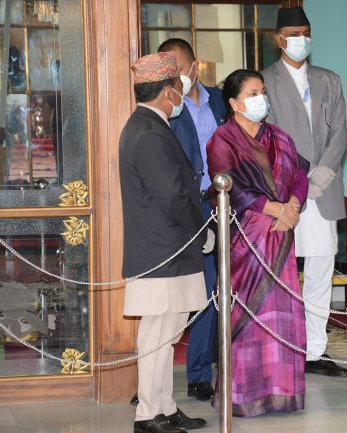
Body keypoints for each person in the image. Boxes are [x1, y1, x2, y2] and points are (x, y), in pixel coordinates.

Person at [207, 69, 309, 417]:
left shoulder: (280, 136)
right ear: (234, 103)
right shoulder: (222, 139)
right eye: (252, 93)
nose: (260, 98)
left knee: (281, 314)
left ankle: (282, 391)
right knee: (250, 314)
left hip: (281, 235)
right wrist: (275, 208)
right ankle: (244, 394)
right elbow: (228, 185)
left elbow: (299, 174)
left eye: (262, 91)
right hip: (246, 241)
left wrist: (292, 206)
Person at [119, 51, 212, 433]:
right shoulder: (148, 132)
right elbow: (173, 196)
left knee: (167, 335)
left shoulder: (149, 126)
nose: (180, 94)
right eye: (177, 87)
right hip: (162, 252)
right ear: (166, 91)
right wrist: (202, 232)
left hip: (169, 250)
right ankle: (147, 415)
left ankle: (165, 407)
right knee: (157, 337)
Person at [261, 6, 347, 377]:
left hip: (323, 191)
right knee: (279, 271)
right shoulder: (264, 81)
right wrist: (297, 177)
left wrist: (318, 177)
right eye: (294, 34)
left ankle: (315, 350)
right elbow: (266, 136)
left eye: (306, 32)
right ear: (279, 39)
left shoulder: (329, 79)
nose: (301, 40)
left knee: (320, 271)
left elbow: (339, 133)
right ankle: (281, 346)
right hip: (283, 192)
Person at [158, 38, 227, 402]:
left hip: (222, 206)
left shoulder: (220, 100)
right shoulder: (167, 106)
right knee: (179, 294)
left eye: (180, 70)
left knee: (214, 290)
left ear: (195, 67)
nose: (176, 78)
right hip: (184, 208)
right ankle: (155, 381)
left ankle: (203, 374)